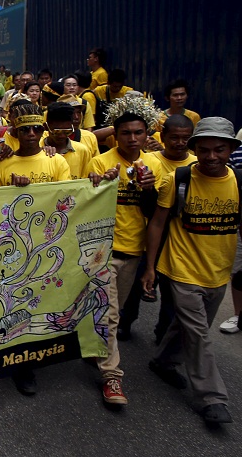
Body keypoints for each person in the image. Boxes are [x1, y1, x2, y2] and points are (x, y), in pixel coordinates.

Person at [143, 117, 240, 425]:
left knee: (186, 328)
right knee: (199, 333)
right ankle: (212, 398)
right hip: (181, 268)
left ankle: (162, 361)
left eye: (220, 150)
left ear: (231, 151)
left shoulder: (239, 181)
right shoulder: (178, 179)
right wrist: (150, 269)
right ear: (195, 149)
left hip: (218, 272)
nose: (212, 157)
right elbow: (158, 223)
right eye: (205, 150)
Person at [86, 95, 164, 405]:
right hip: (101, 251)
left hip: (133, 252)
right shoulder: (100, 163)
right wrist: (95, 184)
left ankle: (96, 348)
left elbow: (157, 215)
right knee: (111, 314)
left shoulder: (155, 165)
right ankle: (112, 377)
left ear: (147, 135)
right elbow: (83, 205)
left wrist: (148, 189)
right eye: (125, 133)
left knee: (108, 311)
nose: (132, 139)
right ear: (114, 135)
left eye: (138, 133)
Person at [119, 114, 196, 342]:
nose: (179, 143)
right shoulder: (148, 161)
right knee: (137, 281)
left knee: (173, 291)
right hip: (149, 233)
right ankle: (125, 321)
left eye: (185, 138)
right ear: (162, 137)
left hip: (181, 238)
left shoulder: (195, 165)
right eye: (174, 138)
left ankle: (163, 332)